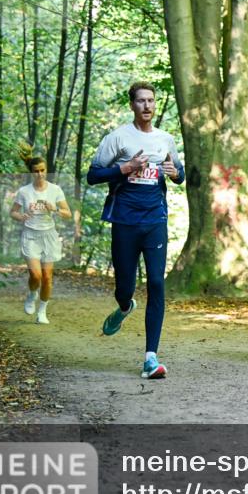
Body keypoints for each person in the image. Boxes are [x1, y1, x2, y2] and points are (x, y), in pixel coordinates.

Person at [86, 81, 184, 379]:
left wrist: (175, 173)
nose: (147, 106)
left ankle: (150, 358)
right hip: (125, 222)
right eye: (141, 101)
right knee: (124, 288)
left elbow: (178, 174)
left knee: (156, 283)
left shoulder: (166, 139)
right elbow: (92, 175)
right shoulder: (117, 138)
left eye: (151, 101)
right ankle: (124, 306)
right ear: (132, 105)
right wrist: (124, 168)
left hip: (155, 220)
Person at [10, 148, 71, 324]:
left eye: (43, 170)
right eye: (36, 171)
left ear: (46, 170)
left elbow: (67, 212)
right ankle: (31, 295)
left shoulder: (55, 190)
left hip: (49, 235)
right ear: (31, 172)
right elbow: (13, 212)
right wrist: (22, 216)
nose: (40, 174)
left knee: (47, 277)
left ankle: (42, 312)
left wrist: (55, 209)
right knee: (35, 275)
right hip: (30, 235)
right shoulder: (24, 191)